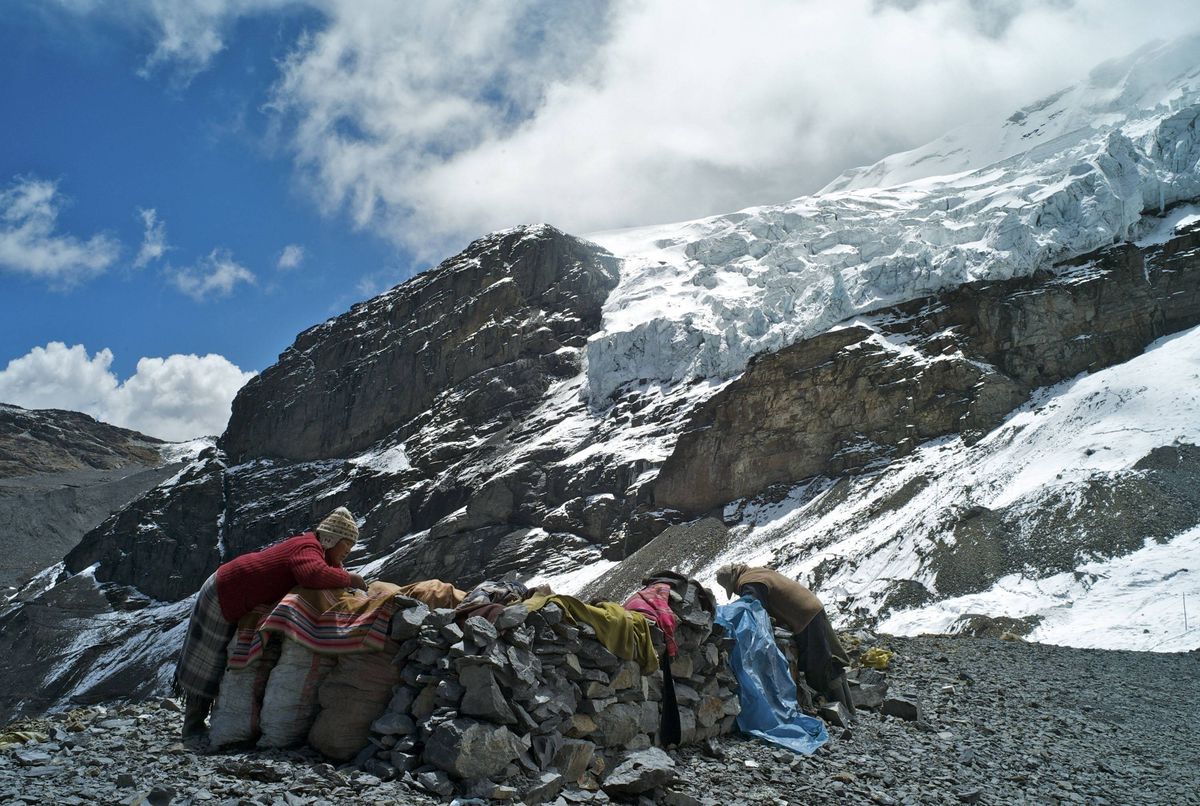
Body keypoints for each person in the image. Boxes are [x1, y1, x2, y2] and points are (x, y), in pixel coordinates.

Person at [175, 506, 368, 738]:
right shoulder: (307, 547)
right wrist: (351, 579)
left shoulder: (313, 549)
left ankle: (200, 723)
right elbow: (311, 575)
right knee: (208, 659)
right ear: (332, 539)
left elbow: (323, 571)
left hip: (232, 592)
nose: (348, 550)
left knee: (217, 656)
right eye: (346, 544)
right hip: (223, 592)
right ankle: (192, 726)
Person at [715, 563, 854, 714]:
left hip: (803, 616)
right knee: (829, 657)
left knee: (817, 664)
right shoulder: (757, 572)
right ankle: (848, 709)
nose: (736, 592)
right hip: (812, 609)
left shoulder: (750, 582)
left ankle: (840, 710)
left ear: (733, 580)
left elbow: (750, 606)